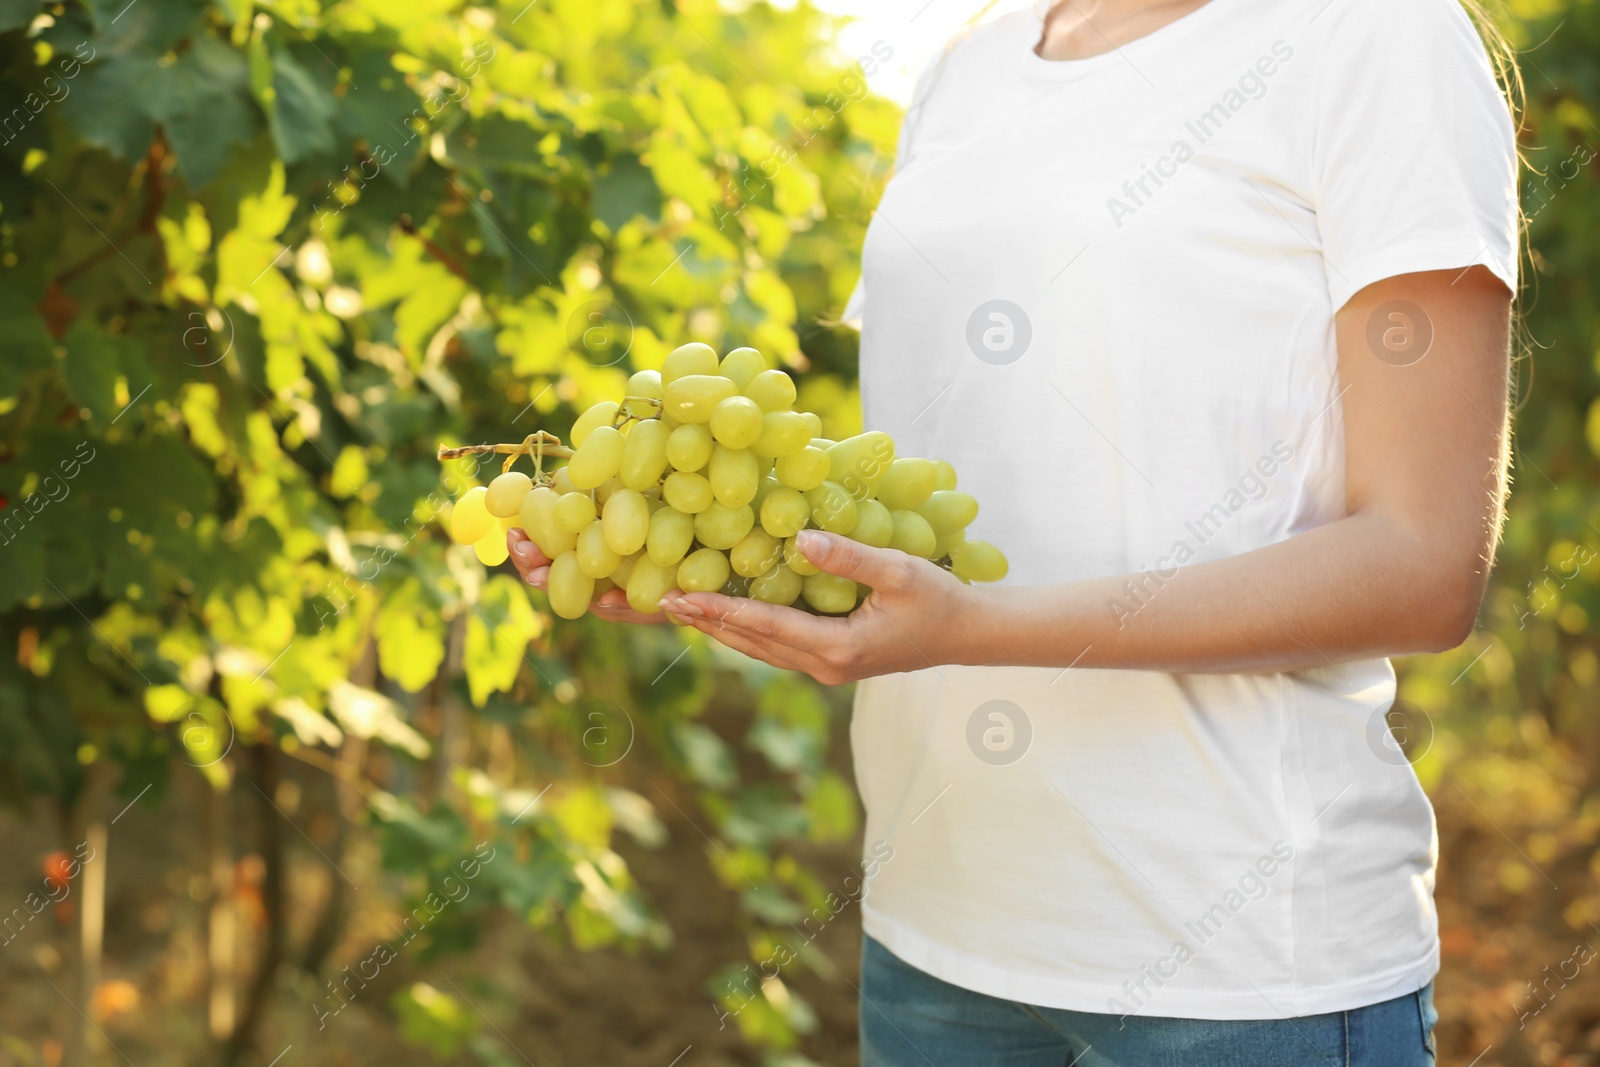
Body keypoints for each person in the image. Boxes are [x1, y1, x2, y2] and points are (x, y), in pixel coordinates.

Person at [509, 0, 1519, 1060]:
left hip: (1238, 969)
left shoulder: (1375, 34)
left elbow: (1421, 566)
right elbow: (949, 480)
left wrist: (972, 625)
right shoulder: (970, 65)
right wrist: (706, 560)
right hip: (936, 929)